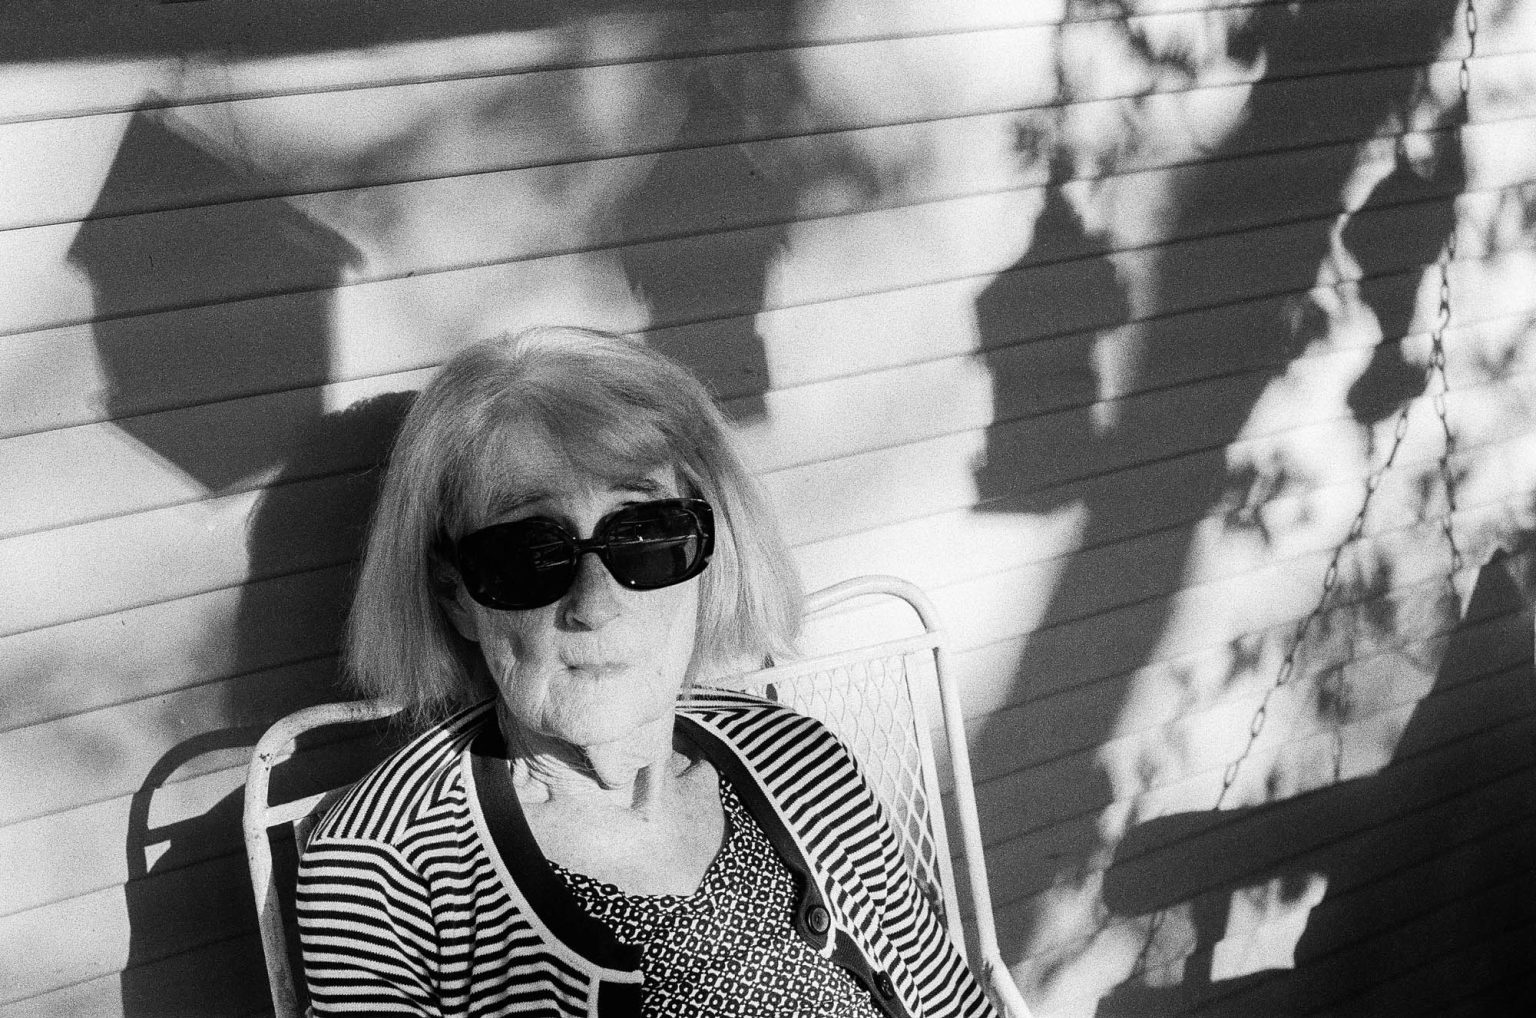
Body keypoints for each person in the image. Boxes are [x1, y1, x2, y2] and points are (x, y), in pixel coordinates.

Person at [295, 326, 999, 1017]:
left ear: (708, 551)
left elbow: (950, 1003)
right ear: (458, 599)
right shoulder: (385, 869)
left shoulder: (804, 763)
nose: (595, 605)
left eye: (645, 536)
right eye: (529, 555)